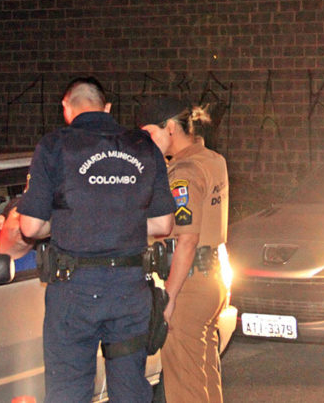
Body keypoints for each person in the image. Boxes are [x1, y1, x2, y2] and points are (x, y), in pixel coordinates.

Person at [17, 77, 175, 402]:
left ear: (66, 107)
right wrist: (119, 223)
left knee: (68, 392)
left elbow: (30, 228)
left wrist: (71, 223)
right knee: (130, 391)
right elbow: (163, 224)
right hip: (130, 291)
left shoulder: (54, 146)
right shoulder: (144, 147)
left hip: (74, 291)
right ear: (107, 108)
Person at [137, 96, 229, 403]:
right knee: (204, 377)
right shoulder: (213, 160)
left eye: (150, 133)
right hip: (211, 276)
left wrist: (170, 297)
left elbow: (187, 239)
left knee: (184, 387)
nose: (148, 142)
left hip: (187, 282)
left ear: (170, 127)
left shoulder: (183, 173)